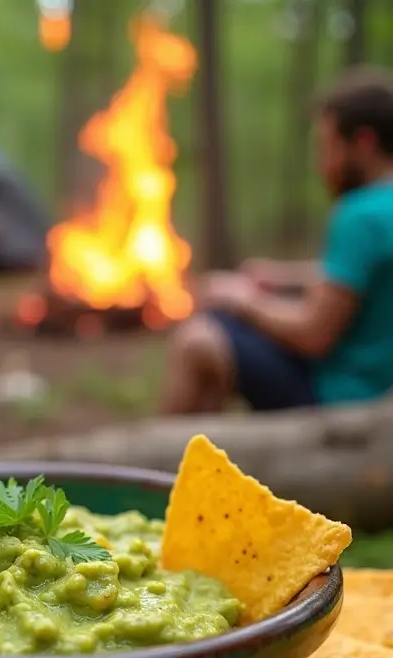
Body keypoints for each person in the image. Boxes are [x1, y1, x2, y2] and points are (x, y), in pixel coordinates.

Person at [159, 66, 393, 414]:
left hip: (340, 395)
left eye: (327, 148)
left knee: (199, 340)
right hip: (375, 382)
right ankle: (199, 455)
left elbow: (314, 335)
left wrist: (243, 299)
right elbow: (363, 278)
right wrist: (282, 276)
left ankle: (161, 460)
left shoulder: (359, 214)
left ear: (363, 143)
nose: (320, 165)